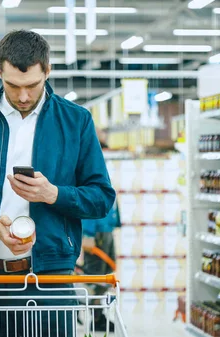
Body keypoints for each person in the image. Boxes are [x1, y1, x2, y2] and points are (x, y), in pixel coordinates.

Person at [0, 30, 116, 337]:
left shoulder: (76, 121)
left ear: (47, 71)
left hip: (51, 277)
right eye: (12, 85)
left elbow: (101, 197)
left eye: (33, 86)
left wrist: (55, 194)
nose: (23, 96)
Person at [81, 132, 121, 331]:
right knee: (94, 275)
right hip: (95, 230)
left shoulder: (103, 167)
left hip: (105, 229)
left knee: (105, 273)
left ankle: (100, 313)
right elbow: (88, 199)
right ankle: (95, 317)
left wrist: (116, 222)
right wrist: (87, 235)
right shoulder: (87, 164)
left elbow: (109, 194)